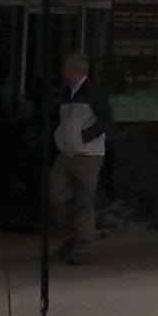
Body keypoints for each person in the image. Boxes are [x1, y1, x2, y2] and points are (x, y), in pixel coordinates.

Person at [49, 53, 111, 267]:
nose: (62, 71)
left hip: (88, 155)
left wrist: (85, 136)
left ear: (74, 70)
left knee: (84, 202)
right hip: (66, 153)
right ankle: (70, 238)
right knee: (57, 197)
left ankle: (82, 247)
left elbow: (106, 120)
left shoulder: (93, 92)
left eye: (65, 67)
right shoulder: (67, 92)